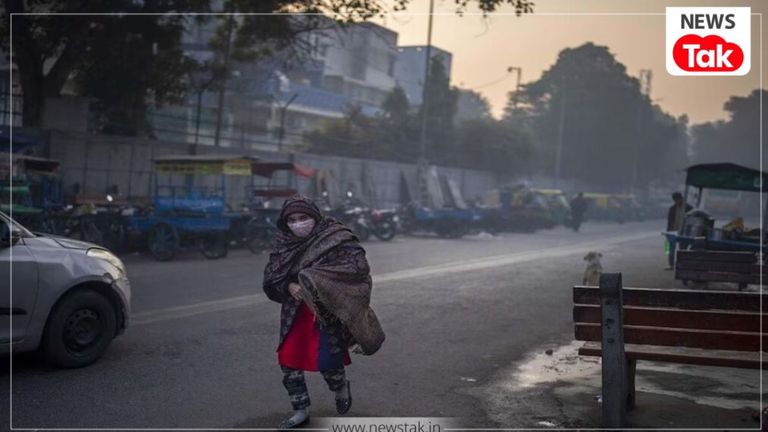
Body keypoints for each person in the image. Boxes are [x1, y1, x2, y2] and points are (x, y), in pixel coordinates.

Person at [263, 195, 385, 429]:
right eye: (292, 219)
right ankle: (300, 410)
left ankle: (340, 386)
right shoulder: (283, 243)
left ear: (315, 217)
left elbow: (357, 268)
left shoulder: (336, 237)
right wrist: (289, 285)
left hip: (326, 311)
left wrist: (314, 280)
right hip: (295, 314)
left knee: (328, 360)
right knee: (288, 361)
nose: (298, 223)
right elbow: (272, 277)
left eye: (303, 217)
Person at [665, 192, 693, 270]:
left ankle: (681, 265)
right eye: (675, 200)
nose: (676, 201)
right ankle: (671, 264)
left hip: (684, 232)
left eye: (677, 200)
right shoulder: (672, 208)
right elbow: (669, 221)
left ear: (681, 198)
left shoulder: (689, 208)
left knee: (682, 249)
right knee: (670, 249)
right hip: (672, 231)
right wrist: (668, 232)